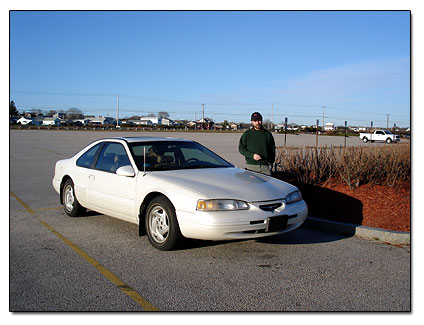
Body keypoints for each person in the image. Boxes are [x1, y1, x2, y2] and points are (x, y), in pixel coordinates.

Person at [238, 112, 275, 176]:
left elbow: (272, 150)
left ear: (261, 120)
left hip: (265, 168)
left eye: (259, 120)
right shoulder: (247, 134)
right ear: (252, 121)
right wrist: (252, 155)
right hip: (251, 167)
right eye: (255, 120)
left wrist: (271, 163)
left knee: (267, 186)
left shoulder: (268, 134)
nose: (257, 122)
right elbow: (241, 148)